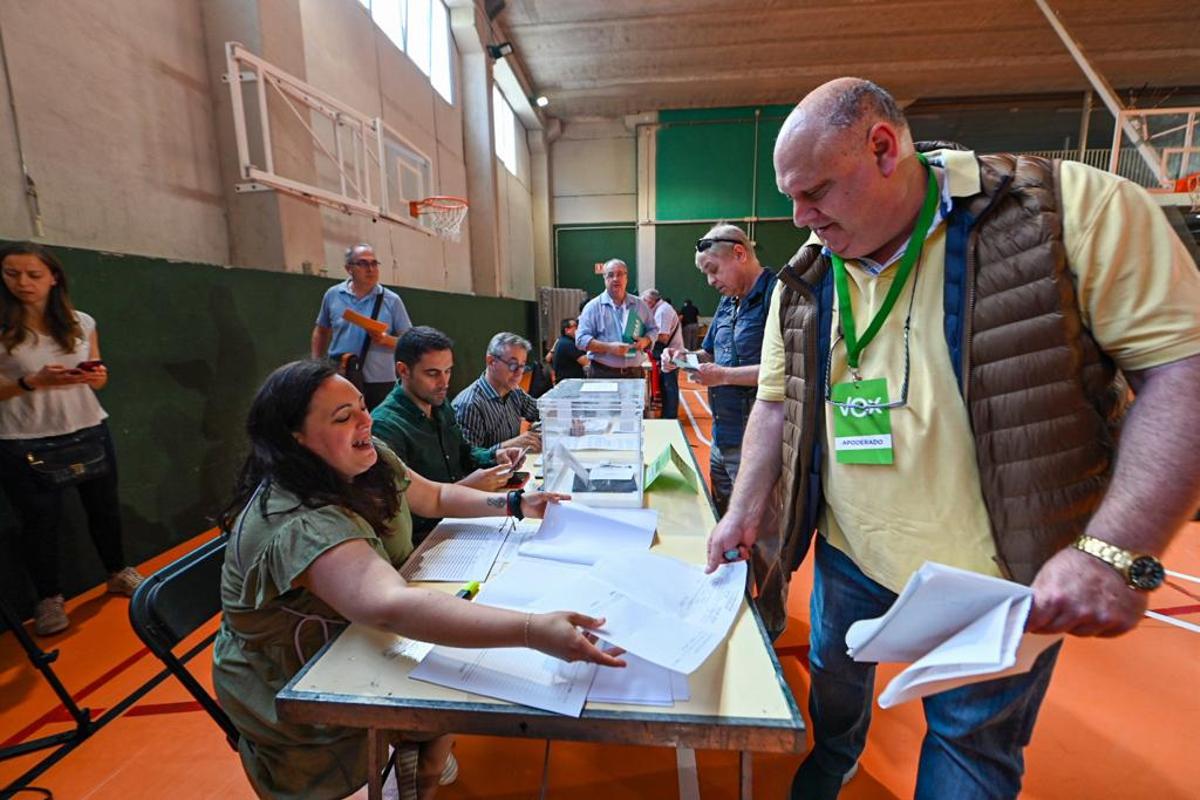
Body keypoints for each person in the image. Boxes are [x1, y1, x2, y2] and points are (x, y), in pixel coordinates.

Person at [707, 78, 1200, 800]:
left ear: (883, 148)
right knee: (835, 684)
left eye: (815, 191)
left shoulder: (1067, 211)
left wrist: (1117, 550)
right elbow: (777, 406)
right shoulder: (808, 275)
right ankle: (834, 760)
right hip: (849, 556)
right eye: (792, 197)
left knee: (969, 750)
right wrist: (746, 507)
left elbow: (1181, 371)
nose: (799, 216)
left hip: (994, 583)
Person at [212, 360, 624, 800]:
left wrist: (516, 503)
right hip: (296, 684)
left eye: (361, 406)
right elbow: (389, 604)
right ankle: (415, 755)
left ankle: (421, 760)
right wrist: (529, 629)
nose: (363, 420)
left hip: (352, 637)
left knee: (442, 695)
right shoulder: (298, 521)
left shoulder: (366, 457)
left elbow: (435, 496)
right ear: (295, 439)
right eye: (342, 416)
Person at [0, 242, 144, 636]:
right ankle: (49, 597)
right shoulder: (4, 328)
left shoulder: (82, 322)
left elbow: (98, 372)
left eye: (33, 274)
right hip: (23, 438)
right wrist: (32, 382)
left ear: (53, 277)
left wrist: (96, 377)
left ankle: (117, 571)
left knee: (104, 509)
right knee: (39, 522)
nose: (23, 283)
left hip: (86, 426)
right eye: (12, 274)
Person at [371, 327, 530, 543]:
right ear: (403, 370)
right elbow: (401, 513)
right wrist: (467, 487)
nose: (444, 382)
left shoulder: (438, 402)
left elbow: (464, 451)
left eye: (448, 371)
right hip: (427, 538)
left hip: (460, 518)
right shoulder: (385, 427)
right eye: (433, 373)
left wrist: (495, 456)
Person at [661, 225, 777, 516]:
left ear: (739, 253)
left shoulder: (778, 296)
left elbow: (789, 372)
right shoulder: (728, 301)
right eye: (706, 274)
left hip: (758, 442)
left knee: (757, 533)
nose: (711, 281)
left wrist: (723, 376)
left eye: (714, 270)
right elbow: (709, 352)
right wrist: (682, 357)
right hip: (722, 436)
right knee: (722, 520)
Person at [312, 243, 412, 410]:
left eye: (374, 264)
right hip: (341, 374)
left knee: (377, 428)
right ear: (348, 268)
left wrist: (385, 339)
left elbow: (409, 341)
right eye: (363, 264)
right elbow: (321, 331)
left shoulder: (391, 300)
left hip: (379, 380)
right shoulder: (333, 295)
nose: (370, 269)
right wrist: (316, 364)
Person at [451, 332, 541, 453]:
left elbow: (540, 410)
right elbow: (468, 460)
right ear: (491, 361)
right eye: (513, 365)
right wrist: (509, 445)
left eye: (522, 366)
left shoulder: (514, 391)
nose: (519, 372)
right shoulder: (469, 405)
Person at [575, 259, 657, 379]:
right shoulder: (592, 307)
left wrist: (646, 340)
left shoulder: (640, 305)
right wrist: (609, 348)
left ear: (626, 278)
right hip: (603, 374)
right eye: (610, 275)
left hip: (634, 373)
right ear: (604, 279)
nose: (615, 278)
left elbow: (653, 329)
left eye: (619, 274)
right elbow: (580, 340)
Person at [641, 289, 684, 419]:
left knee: (669, 387)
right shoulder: (662, 309)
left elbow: (663, 337)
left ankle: (670, 418)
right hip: (670, 356)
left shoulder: (663, 311)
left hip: (671, 357)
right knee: (667, 387)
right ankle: (668, 415)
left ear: (650, 301)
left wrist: (645, 337)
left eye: (643, 302)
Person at [550, 317, 587, 383]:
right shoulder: (567, 344)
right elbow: (586, 362)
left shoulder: (563, 341)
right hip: (569, 383)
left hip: (568, 381)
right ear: (567, 330)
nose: (578, 328)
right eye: (575, 326)